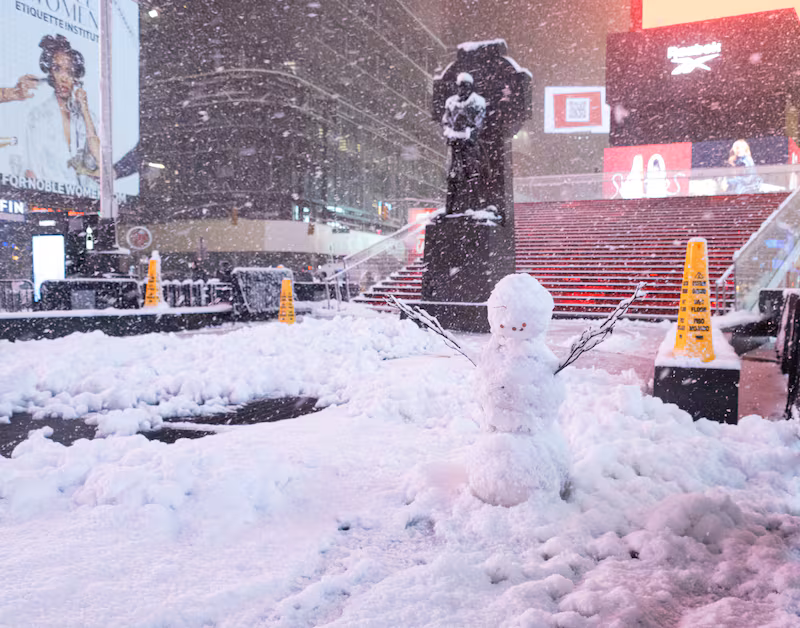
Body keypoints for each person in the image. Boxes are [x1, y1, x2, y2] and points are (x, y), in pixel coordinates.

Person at [23, 34, 100, 190]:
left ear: (76, 77)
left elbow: (99, 164)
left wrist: (84, 110)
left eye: (70, 71)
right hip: (50, 200)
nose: (64, 78)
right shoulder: (37, 116)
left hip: (87, 203)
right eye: (57, 69)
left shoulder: (89, 117)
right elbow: (33, 168)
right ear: (50, 73)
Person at [442, 72, 487, 213]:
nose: (463, 89)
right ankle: (451, 207)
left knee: (471, 172)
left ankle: (473, 204)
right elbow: (445, 121)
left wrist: (469, 136)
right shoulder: (450, 102)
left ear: (470, 87)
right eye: (460, 86)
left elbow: (478, 123)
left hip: (469, 144)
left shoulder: (477, 101)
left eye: (465, 86)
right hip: (454, 142)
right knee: (453, 174)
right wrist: (450, 133)